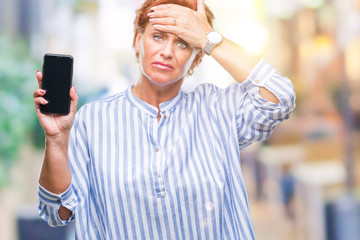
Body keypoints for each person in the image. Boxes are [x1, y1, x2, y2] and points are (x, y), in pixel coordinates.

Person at [33, 0, 295, 239]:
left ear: (196, 59)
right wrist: (55, 140)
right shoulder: (93, 120)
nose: (167, 51)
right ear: (138, 40)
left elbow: (280, 98)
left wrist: (210, 39)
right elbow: (57, 212)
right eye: (157, 37)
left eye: (183, 43)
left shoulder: (218, 109)